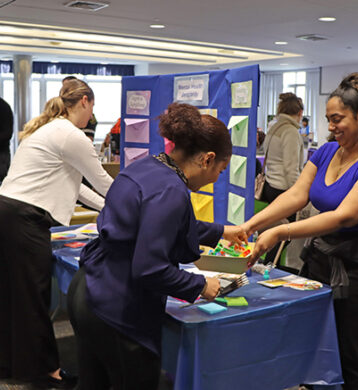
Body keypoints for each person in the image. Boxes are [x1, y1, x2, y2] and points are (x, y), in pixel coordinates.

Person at [240, 73, 358, 390]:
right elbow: (296, 194)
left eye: (337, 119)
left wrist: (280, 233)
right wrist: (252, 224)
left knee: (349, 356)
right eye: (328, 119)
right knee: (313, 347)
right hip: (321, 263)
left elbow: (343, 217)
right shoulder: (328, 151)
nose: (330, 127)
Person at [67, 102, 247, 390]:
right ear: (207, 159)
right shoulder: (171, 190)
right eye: (221, 170)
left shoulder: (150, 167)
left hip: (87, 289)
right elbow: (149, 268)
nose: (216, 178)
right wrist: (200, 285)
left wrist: (222, 231)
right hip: (116, 306)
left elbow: (158, 223)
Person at [0, 79, 113, 389]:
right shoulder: (72, 135)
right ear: (84, 101)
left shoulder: (50, 129)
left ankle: (12, 363)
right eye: (92, 108)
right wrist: (132, 206)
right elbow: (105, 183)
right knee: (33, 297)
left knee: (12, 294)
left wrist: (108, 207)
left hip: (4, 211)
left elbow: (78, 186)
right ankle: (46, 371)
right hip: (23, 219)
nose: (91, 116)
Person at [260, 92, 305, 264]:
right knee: (287, 233)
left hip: (271, 185)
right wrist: (299, 194)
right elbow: (291, 168)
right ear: (300, 112)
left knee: (277, 231)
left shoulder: (274, 127)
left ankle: (270, 264)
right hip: (285, 189)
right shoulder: (291, 132)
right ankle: (270, 265)